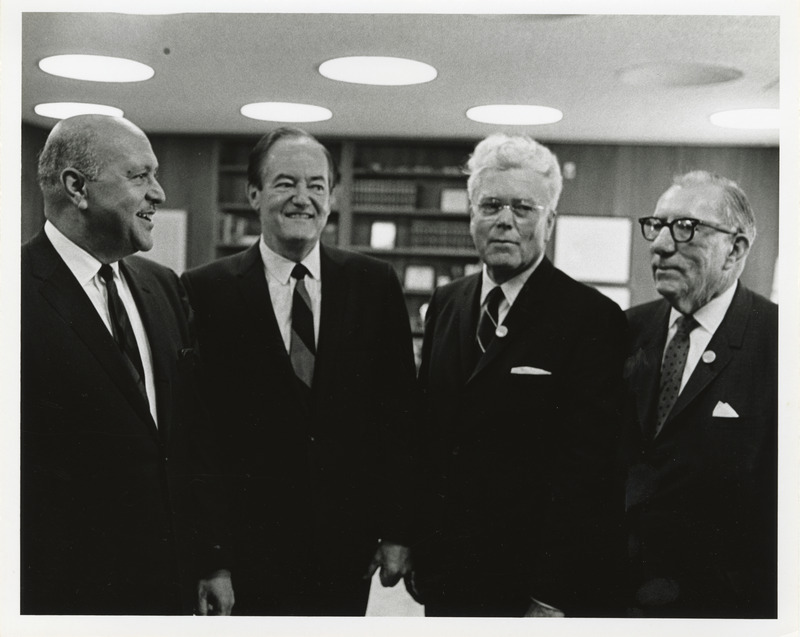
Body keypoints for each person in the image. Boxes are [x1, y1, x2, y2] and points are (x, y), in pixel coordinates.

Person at [181, 127, 420, 615]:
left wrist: (398, 530)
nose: (302, 199)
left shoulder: (374, 284)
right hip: (246, 552)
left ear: (332, 196)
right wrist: (213, 559)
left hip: (345, 548)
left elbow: (400, 416)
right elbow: (196, 436)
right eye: (285, 183)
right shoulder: (203, 291)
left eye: (316, 185)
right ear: (253, 194)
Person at [21, 114, 234, 615]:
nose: (158, 193)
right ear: (77, 188)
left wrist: (212, 561)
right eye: (139, 176)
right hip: (65, 596)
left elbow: (191, 436)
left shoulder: (162, 286)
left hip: (172, 586)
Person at [413, 133, 628, 617]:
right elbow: (430, 436)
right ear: (471, 214)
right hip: (447, 575)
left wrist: (552, 593)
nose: (505, 221)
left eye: (523, 208)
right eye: (490, 205)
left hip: (529, 583)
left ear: (548, 221)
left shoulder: (591, 318)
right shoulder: (446, 304)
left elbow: (588, 474)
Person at [623, 171, 777, 618]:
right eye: (657, 225)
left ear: (736, 249)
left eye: (686, 228)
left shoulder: (781, 343)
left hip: (725, 608)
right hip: (618, 599)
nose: (660, 245)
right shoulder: (626, 331)